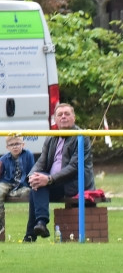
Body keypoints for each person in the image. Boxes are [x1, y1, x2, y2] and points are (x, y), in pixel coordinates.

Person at [24, 103, 95, 241]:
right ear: (55, 120)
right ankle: (40, 224)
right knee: (37, 182)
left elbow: (74, 167)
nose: (63, 117)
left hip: (74, 184)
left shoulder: (82, 137)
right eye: (60, 115)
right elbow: (41, 162)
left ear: (74, 117)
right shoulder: (51, 137)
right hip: (54, 184)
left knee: (40, 184)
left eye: (67, 114)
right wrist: (32, 176)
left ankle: (33, 232)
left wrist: (49, 179)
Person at [0, 135, 34, 237]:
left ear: (23, 144)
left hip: (22, 184)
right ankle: (0, 222)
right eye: (12, 145)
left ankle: (12, 193)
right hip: (7, 182)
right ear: (7, 147)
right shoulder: (4, 159)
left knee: (27, 191)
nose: (15, 147)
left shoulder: (28, 155)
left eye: (17, 144)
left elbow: (32, 170)